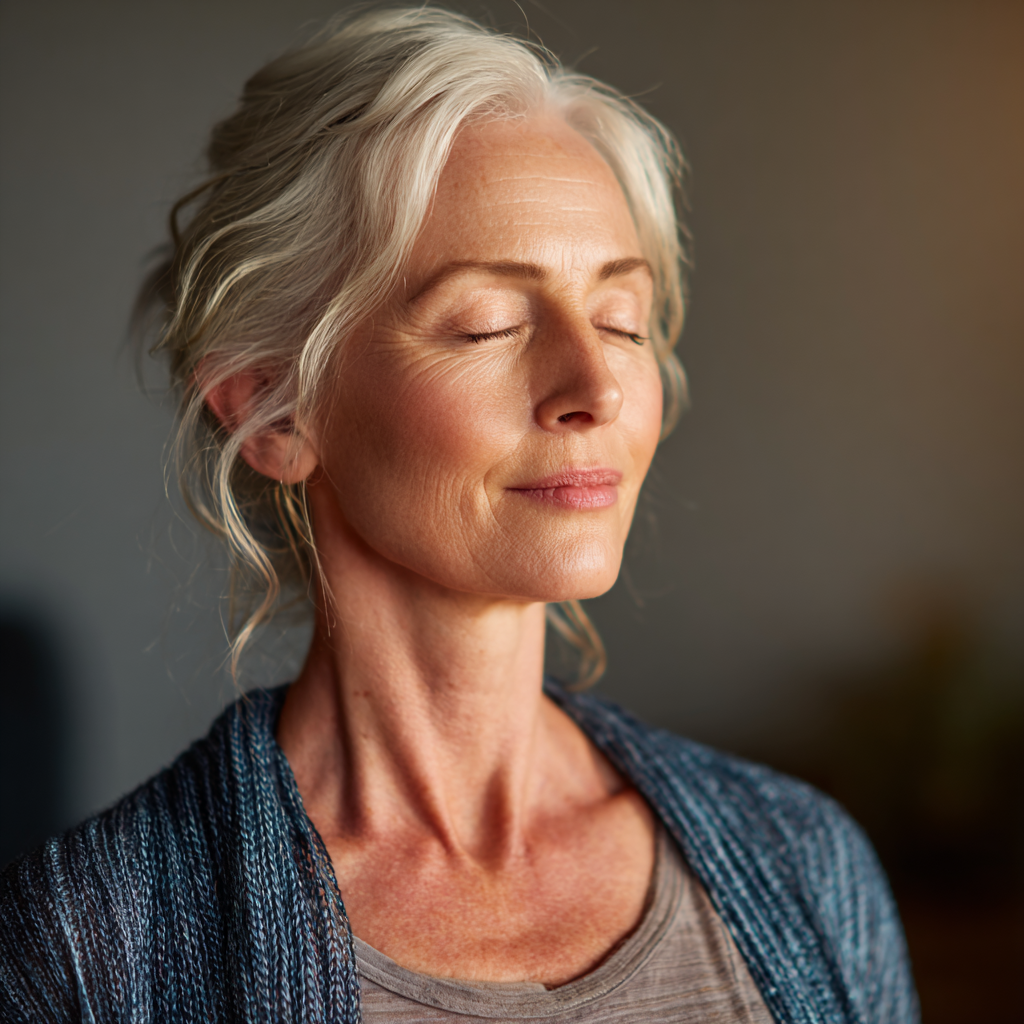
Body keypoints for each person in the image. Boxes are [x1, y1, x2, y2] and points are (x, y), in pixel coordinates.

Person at [0, 7, 918, 1022]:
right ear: (273, 406)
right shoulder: (90, 949)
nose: (595, 386)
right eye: (487, 323)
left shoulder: (806, 862)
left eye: (622, 319)